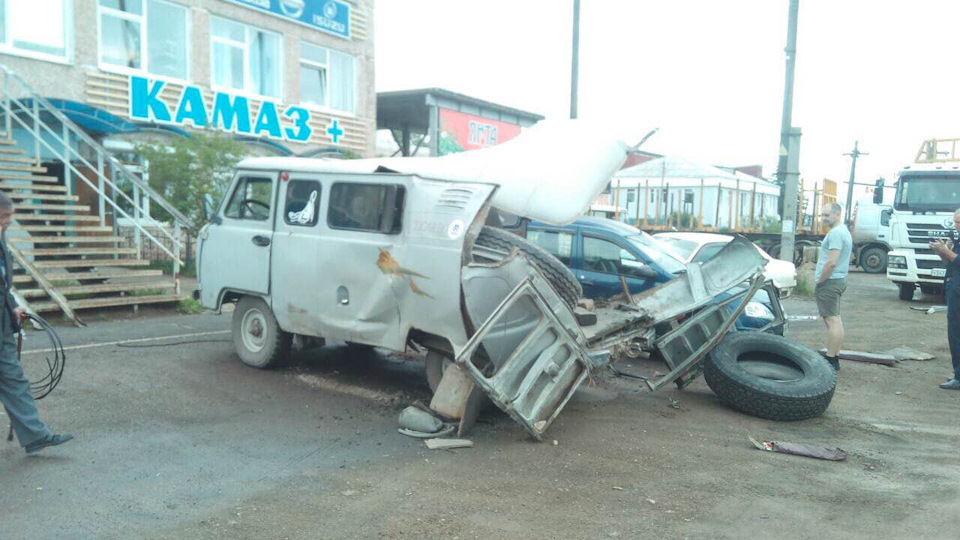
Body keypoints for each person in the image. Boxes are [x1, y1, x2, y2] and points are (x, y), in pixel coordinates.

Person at [0, 192, 73, 453]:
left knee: (14, 381)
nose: (9, 221)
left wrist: (12, 307)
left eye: (10, 216)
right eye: (5, 216)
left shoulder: (2, 239)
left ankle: (34, 436)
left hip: (3, 329)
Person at [814, 202, 853, 371]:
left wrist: (820, 281)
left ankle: (830, 360)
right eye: (822, 215)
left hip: (830, 281)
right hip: (839, 279)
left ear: (837, 214)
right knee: (835, 319)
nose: (823, 218)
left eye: (826, 215)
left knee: (831, 320)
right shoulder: (844, 231)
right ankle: (834, 357)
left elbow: (831, 262)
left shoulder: (836, 233)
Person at [928, 208, 960, 390]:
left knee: (956, 332)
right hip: (954, 287)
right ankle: (958, 372)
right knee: (955, 332)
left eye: (958, 223)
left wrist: (946, 252)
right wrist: (942, 251)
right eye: (955, 222)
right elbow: (949, 263)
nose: (955, 226)